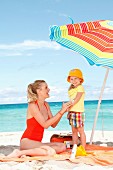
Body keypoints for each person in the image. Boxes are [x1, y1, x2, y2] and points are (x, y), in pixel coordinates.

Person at [7, 80, 72, 158]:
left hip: (37, 142)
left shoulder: (46, 105)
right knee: (51, 150)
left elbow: (53, 125)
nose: (49, 90)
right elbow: (45, 125)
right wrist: (61, 111)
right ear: (39, 91)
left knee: (62, 146)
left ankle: (29, 152)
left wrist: (63, 111)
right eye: (46, 88)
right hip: (27, 141)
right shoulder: (32, 105)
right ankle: (19, 153)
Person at [67, 69, 86, 148]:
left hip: (78, 112)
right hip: (72, 112)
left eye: (76, 78)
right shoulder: (71, 89)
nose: (74, 81)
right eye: (72, 79)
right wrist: (68, 110)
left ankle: (83, 148)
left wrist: (68, 106)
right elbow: (71, 100)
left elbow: (76, 99)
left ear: (80, 79)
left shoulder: (80, 88)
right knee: (74, 131)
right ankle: (75, 147)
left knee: (81, 131)